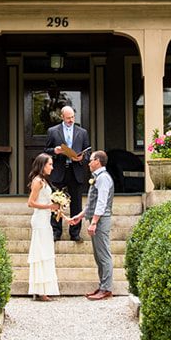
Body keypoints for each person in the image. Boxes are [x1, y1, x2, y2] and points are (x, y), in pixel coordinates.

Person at [44, 104, 90, 241]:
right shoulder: (53, 131)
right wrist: (55, 151)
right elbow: (46, 150)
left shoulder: (82, 132)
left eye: (72, 117)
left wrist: (82, 158)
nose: (71, 120)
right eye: (68, 118)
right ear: (62, 117)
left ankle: (75, 233)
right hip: (59, 170)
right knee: (56, 201)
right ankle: (56, 232)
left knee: (76, 203)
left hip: (76, 171)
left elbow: (88, 152)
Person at [80, 150, 116, 300]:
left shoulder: (103, 178)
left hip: (101, 220)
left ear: (98, 161)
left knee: (104, 255)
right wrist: (80, 216)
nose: (89, 163)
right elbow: (92, 202)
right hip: (97, 219)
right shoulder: (98, 177)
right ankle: (102, 285)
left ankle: (106, 288)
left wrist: (94, 222)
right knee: (98, 255)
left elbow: (101, 203)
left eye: (91, 160)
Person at [24, 153, 59, 301]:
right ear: (42, 165)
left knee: (46, 251)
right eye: (49, 164)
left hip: (45, 219)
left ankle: (44, 288)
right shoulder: (37, 181)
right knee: (41, 252)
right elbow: (30, 203)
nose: (52, 167)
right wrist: (49, 206)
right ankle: (39, 290)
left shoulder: (44, 181)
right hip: (39, 220)